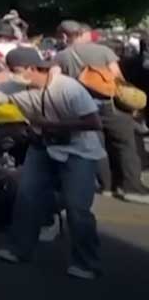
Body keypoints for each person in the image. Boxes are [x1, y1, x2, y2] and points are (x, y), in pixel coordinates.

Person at [0, 46, 104, 280]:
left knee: (77, 207)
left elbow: (94, 122)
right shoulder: (13, 86)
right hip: (42, 147)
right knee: (26, 197)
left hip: (78, 151)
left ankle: (87, 262)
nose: (12, 74)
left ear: (32, 68)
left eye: (16, 69)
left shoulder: (67, 88)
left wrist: (52, 125)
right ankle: (19, 249)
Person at [55, 20, 149, 204]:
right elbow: (118, 78)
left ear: (65, 36)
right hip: (111, 105)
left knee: (98, 147)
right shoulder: (103, 51)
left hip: (81, 107)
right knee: (125, 145)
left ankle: (107, 186)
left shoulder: (61, 57)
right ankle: (131, 188)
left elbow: (58, 82)